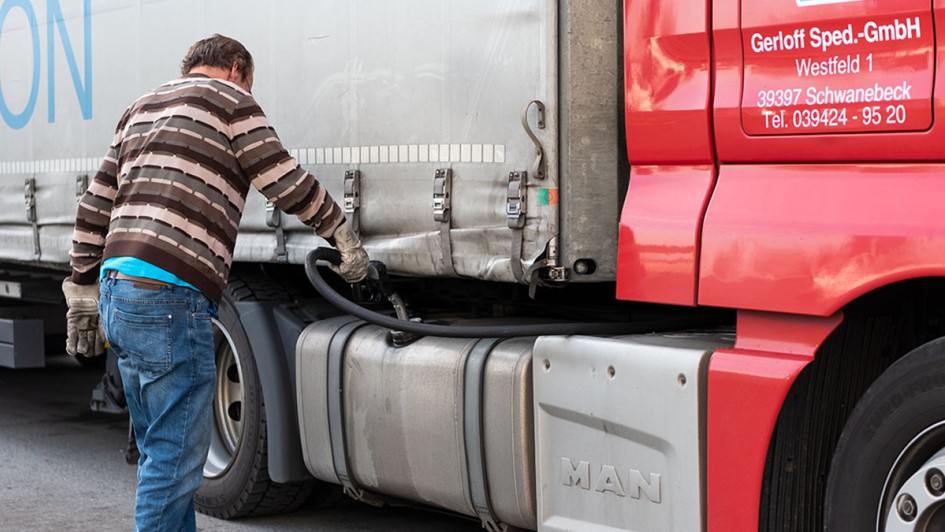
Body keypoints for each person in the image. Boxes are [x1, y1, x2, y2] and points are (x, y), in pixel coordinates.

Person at [61, 34, 368, 531]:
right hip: (168, 300)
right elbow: (283, 179)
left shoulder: (140, 107)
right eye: (249, 81)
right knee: (172, 462)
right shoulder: (232, 102)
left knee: (164, 453)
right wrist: (341, 233)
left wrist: (81, 289)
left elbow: (95, 204)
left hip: (119, 292)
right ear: (236, 68)